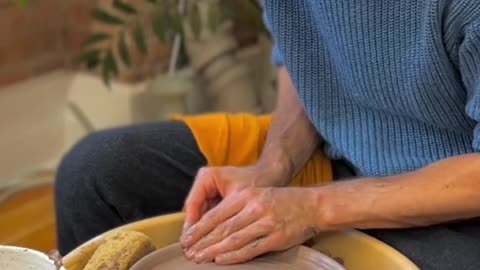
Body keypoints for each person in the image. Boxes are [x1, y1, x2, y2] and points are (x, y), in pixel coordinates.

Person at [55, 1, 480, 269]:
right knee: (96, 173)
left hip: (457, 195)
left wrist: (314, 207)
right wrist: (271, 168)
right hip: (336, 160)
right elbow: (306, 58)